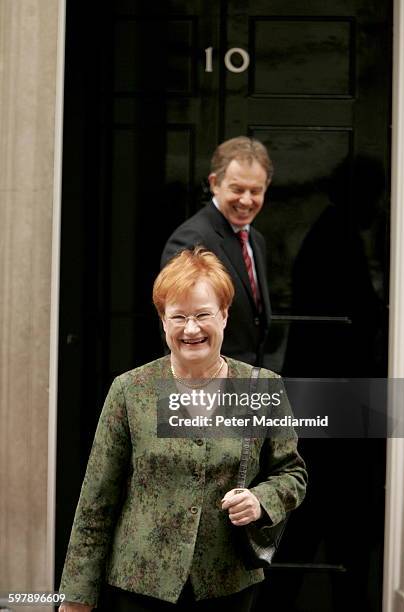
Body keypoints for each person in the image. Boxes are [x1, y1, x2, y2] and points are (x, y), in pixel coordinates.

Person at [59, 247, 307, 612]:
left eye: (203, 314)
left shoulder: (262, 388)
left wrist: (261, 500)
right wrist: (76, 597)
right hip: (139, 586)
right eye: (178, 317)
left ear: (224, 315)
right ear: (163, 321)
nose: (191, 329)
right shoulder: (131, 390)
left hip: (227, 586)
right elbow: (96, 502)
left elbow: (292, 473)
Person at [161, 137, 273, 366]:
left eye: (255, 191)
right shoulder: (192, 240)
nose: (246, 200)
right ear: (214, 183)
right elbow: (177, 328)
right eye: (237, 189)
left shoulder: (256, 240)